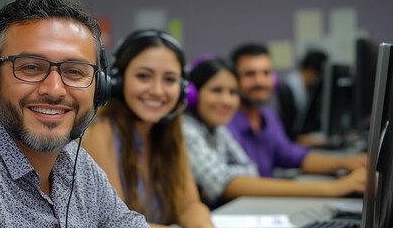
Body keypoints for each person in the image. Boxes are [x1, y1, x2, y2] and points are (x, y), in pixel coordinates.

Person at [0, 0, 148, 227]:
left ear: (100, 90)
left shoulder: (75, 162)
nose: (54, 90)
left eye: (74, 71)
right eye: (31, 67)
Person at [182, 54, 366, 210]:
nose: (226, 100)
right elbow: (225, 184)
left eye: (232, 92)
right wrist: (334, 188)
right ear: (192, 95)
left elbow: (253, 170)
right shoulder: (191, 129)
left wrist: (343, 163)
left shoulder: (219, 128)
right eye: (216, 90)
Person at [82, 30, 214, 227]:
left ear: (182, 89)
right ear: (117, 81)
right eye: (144, 76)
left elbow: (190, 206)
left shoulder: (170, 132)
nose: (157, 91)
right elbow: (116, 223)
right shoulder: (100, 135)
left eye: (169, 79)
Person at [226, 43, 367, 187]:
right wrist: (336, 187)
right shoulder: (225, 123)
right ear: (234, 80)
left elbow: (292, 155)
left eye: (266, 73)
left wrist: (344, 162)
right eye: (250, 74)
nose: (260, 81)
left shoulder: (268, 116)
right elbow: (239, 183)